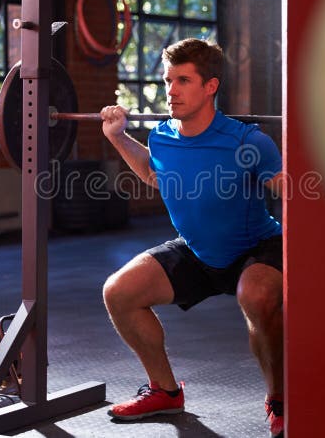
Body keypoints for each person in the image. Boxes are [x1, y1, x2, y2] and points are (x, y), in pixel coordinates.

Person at [100, 38, 284, 438]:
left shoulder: (247, 142)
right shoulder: (163, 137)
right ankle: (165, 392)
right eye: (168, 80)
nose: (171, 90)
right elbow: (153, 173)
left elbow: (288, 190)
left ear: (210, 86)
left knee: (256, 296)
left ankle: (281, 400)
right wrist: (117, 136)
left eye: (183, 80)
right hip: (198, 251)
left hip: (255, 248)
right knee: (119, 292)